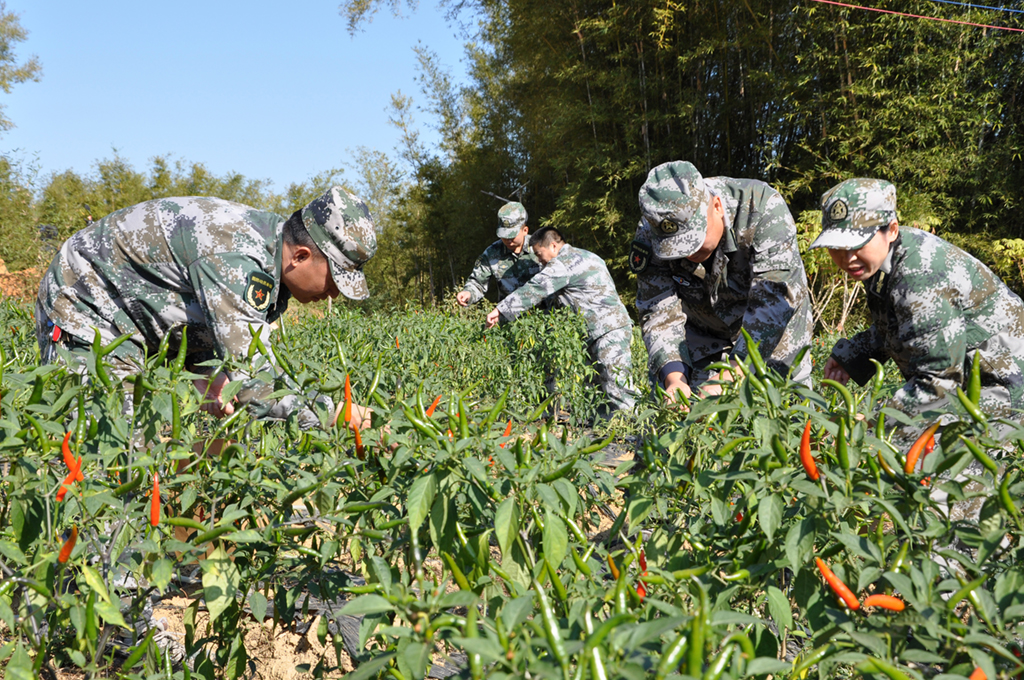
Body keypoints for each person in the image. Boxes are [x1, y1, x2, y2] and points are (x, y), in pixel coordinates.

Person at [35, 186, 376, 430]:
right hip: (86, 304)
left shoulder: (272, 248)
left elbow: (206, 322)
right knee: (109, 442)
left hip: (132, 316)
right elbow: (255, 385)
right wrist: (339, 414)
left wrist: (204, 373)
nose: (332, 294)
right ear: (301, 256)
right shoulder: (236, 259)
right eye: (333, 280)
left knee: (142, 445)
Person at [814, 178, 1024, 420]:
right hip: (964, 379)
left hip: (1005, 386)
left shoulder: (920, 273)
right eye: (837, 246)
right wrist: (854, 357)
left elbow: (938, 380)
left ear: (891, 230)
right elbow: (899, 323)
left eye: (858, 243)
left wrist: (874, 426)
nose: (847, 257)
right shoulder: (884, 259)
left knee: (910, 452)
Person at [630, 160, 813, 403]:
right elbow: (657, 308)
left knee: (785, 419)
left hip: (774, 334)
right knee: (692, 421)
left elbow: (773, 303)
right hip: (703, 335)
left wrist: (729, 379)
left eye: (694, 238)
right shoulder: (651, 232)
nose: (688, 252)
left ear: (716, 206)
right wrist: (674, 378)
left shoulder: (761, 207)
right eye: (676, 247)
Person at [485, 226, 636, 414]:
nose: (539, 260)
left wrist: (500, 311)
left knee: (617, 386)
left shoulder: (563, 263)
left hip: (606, 330)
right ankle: (605, 432)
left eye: (540, 254)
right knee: (595, 386)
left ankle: (639, 432)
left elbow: (535, 289)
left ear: (553, 246)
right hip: (606, 328)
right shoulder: (588, 255)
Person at [456, 201, 542, 307]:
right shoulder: (492, 253)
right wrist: (468, 293)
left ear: (525, 230)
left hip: (542, 317)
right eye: (504, 235)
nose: (508, 240)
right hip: (509, 316)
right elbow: (478, 282)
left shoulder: (541, 248)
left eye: (512, 235)